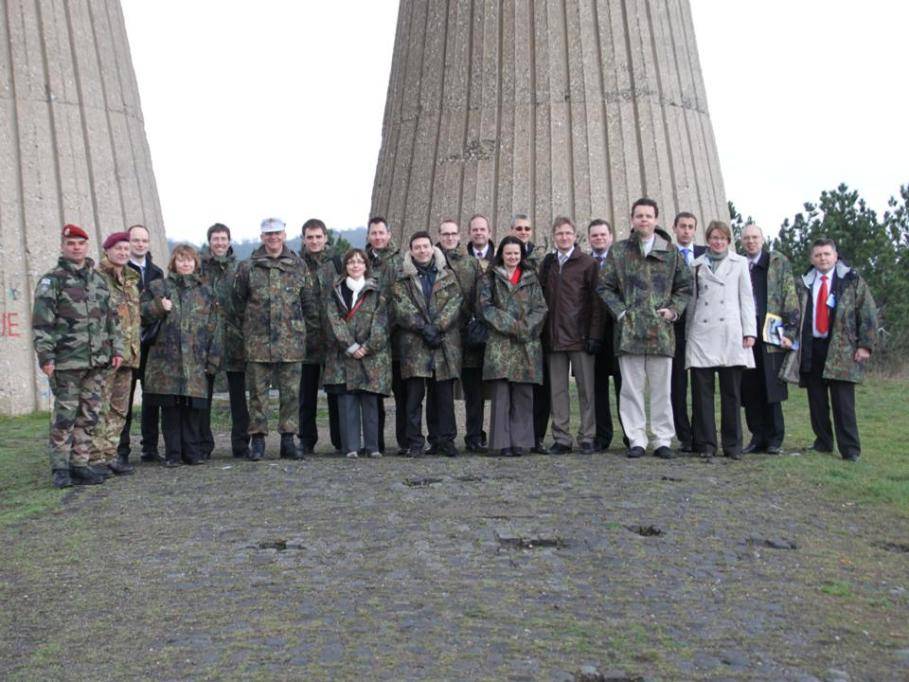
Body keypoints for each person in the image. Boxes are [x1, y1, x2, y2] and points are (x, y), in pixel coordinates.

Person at [597, 197, 692, 459]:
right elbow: (604, 287)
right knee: (631, 390)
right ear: (632, 219)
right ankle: (636, 438)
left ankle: (662, 439)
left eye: (648, 216)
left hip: (661, 332)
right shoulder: (619, 251)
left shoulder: (670, 251)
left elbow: (685, 286)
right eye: (639, 216)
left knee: (662, 390)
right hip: (629, 332)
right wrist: (620, 311)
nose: (644, 220)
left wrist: (673, 310)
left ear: (656, 219)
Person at [32, 224, 123, 487]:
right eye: (71, 243)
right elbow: (41, 323)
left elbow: (111, 319)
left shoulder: (97, 281)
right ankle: (61, 468)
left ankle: (80, 464)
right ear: (63, 246)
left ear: (87, 246)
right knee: (65, 416)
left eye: (80, 243)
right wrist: (46, 357)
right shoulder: (53, 281)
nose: (76, 247)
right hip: (66, 362)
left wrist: (116, 349)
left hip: (96, 361)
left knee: (89, 414)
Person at [781, 238, 878, 461]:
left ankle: (850, 449)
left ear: (835, 256)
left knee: (843, 403)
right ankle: (823, 442)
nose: (823, 258)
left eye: (826, 254)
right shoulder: (804, 283)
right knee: (816, 400)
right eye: (818, 255)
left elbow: (868, 313)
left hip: (842, 349)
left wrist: (865, 346)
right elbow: (794, 313)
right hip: (812, 347)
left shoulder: (852, 280)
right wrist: (788, 337)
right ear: (811, 259)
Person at [234, 217, 317, 461]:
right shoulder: (248, 267)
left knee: (291, 394)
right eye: (268, 234)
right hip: (258, 342)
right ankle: (258, 441)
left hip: (291, 341)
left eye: (277, 233)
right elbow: (238, 303)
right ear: (262, 237)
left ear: (284, 235)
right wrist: (249, 330)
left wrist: (306, 335)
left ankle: (288, 440)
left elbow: (309, 304)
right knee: (258, 394)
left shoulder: (298, 266)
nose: (273, 238)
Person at [141, 244, 221, 466]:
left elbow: (215, 327)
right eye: (180, 260)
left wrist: (213, 359)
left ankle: (192, 452)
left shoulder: (206, 292)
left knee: (193, 408)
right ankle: (173, 453)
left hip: (195, 360)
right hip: (165, 361)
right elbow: (139, 315)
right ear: (173, 263)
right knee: (171, 409)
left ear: (196, 263)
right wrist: (158, 306)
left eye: (189, 260)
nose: (185, 264)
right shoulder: (158, 287)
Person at [686, 221, 756, 459]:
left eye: (722, 238)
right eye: (714, 238)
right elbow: (692, 301)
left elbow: (746, 299)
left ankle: (733, 445)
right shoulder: (696, 265)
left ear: (728, 240)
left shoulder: (739, 264)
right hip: (702, 334)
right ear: (708, 239)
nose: (718, 242)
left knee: (732, 393)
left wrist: (750, 332)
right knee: (702, 394)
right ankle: (706, 444)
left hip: (731, 333)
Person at [392, 231, 463, 457]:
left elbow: (455, 302)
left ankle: (444, 440)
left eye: (426, 246)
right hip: (415, 344)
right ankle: (414, 441)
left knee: (443, 397)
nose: (422, 251)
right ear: (411, 250)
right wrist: (424, 328)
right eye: (417, 247)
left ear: (432, 248)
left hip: (443, 343)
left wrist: (438, 327)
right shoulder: (402, 278)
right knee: (413, 398)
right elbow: (401, 308)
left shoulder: (448, 275)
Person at [538, 217, 603, 454]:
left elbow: (597, 304)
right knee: (558, 391)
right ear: (553, 236)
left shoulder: (587, 264)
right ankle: (561, 438)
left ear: (575, 235)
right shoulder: (548, 264)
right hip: (554, 337)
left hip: (580, 337)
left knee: (587, 390)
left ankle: (587, 435)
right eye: (559, 234)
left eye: (568, 233)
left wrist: (594, 335)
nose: (564, 237)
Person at [479, 236, 547, 456]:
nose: (512, 257)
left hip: (526, 343)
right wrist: (511, 325)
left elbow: (541, 308)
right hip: (500, 343)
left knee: (523, 394)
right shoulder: (489, 278)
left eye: (516, 253)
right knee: (501, 395)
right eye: (508, 253)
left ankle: (521, 441)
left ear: (522, 254)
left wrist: (525, 327)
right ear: (501, 254)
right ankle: (501, 442)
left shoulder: (531, 278)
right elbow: (485, 308)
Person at [323, 249, 392, 458]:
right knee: (347, 401)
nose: (355, 265)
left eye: (359, 262)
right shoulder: (335, 290)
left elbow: (382, 322)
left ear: (365, 266)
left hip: (372, 355)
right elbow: (333, 320)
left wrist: (368, 346)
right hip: (345, 354)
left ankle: (373, 447)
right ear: (345, 266)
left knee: (370, 401)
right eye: (351, 262)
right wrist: (351, 346)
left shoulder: (377, 290)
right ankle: (351, 447)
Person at [739, 223, 800, 454]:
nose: (751, 241)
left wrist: (790, 332)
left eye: (755, 237)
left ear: (762, 239)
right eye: (746, 238)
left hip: (772, 333)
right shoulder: (739, 264)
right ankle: (757, 436)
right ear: (742, 241)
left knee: (771, 386)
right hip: (746, 333)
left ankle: (775, 438)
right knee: (750, 386)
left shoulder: (777, 263)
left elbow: (790, 297)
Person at [90, 231, 140, 475]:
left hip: (129, 355)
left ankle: (111, 454)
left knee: (119, 409)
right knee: (99, 407)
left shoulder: (130, 281)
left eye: (125, 249)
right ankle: (95, 458)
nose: (122, 253)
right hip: (106, 355)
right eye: (118, 249)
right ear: (107, 251)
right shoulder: (97, 279)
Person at [199, 222, 250, 459]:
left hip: (235, 339)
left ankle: (241, 443)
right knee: (204, 395)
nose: (219, 243)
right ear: (209, 242)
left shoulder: (240, 268)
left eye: (223, 239)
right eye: (215, 239)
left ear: (229, 241)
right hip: (207, 340)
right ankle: (202, 444)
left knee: (239, 396)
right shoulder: (199, 269)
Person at [436, 219, 486, 453]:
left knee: (473, 392)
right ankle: (443, 437)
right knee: (442, 391)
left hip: (467, 336)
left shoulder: (471, 263)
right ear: (439, 235)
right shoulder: (431, 262)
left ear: (459, 236)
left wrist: (478, 324)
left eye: (453, 234)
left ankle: (474, 435)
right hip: (443, 336)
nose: (449, 238)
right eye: (445, 234)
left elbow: (480, 296)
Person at [118, 223, 164, 463]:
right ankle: (121, 449)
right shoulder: (120, 271)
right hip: (126, 345)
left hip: (150, 344)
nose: (140, 244)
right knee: (123, 399)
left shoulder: (157, 273)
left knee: (151, 399)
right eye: (135, 240)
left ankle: (150, 447)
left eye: (144, 241)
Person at [298, 218, 342, 455]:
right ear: (303, 239)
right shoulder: (296, 264)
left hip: (332, 338)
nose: (314, 241)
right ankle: (306, 439)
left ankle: (339, 439)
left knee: (335, 393)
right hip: (304, 339)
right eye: (309, 237)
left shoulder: (337, 263)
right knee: (306, 396)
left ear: (325, 238)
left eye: (318, 237)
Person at [510, 213, 550, 452]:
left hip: (538, 331)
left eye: (527, 228)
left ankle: (537, 436)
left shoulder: (541, 260)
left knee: (539, 387)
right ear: (511, 230)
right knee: (514, 388)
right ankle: (515, 436)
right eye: (518, 228)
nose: (523, 232)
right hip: (511, 334)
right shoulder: (504, 257)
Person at [365, 216, 406, 453]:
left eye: (382, 233)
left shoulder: (400, 262)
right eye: (374, 233)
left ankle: (404, 441)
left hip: (397, 338)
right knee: (373, 395)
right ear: (369, 236)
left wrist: (384, 327)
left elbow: (400, 299)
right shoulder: (361, 262)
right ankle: (375, 442)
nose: (378, 237)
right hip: (371, 341)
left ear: (389, 235)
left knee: (402, 395)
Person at [588, 219, 626, 451]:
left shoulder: (621, 262)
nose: (599, 238)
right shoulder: (584, 263)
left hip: (620, 333)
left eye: (603, 235)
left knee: (625, 388)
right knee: (597, 390)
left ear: (610, 237)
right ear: (589, 238)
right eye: (595, 235)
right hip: (594, 335)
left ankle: (631, 434)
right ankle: (602, 436)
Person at [670, 212, 706, 452]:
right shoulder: (667, 255)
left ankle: (703, 433)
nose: (686, 230)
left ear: (695, 230)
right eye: (682, 226)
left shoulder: (706, 254)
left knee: (702, 385)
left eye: (690, 227)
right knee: (677, 385)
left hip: (703, 327)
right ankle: (685, 436)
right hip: (675, 326)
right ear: (675, 228)